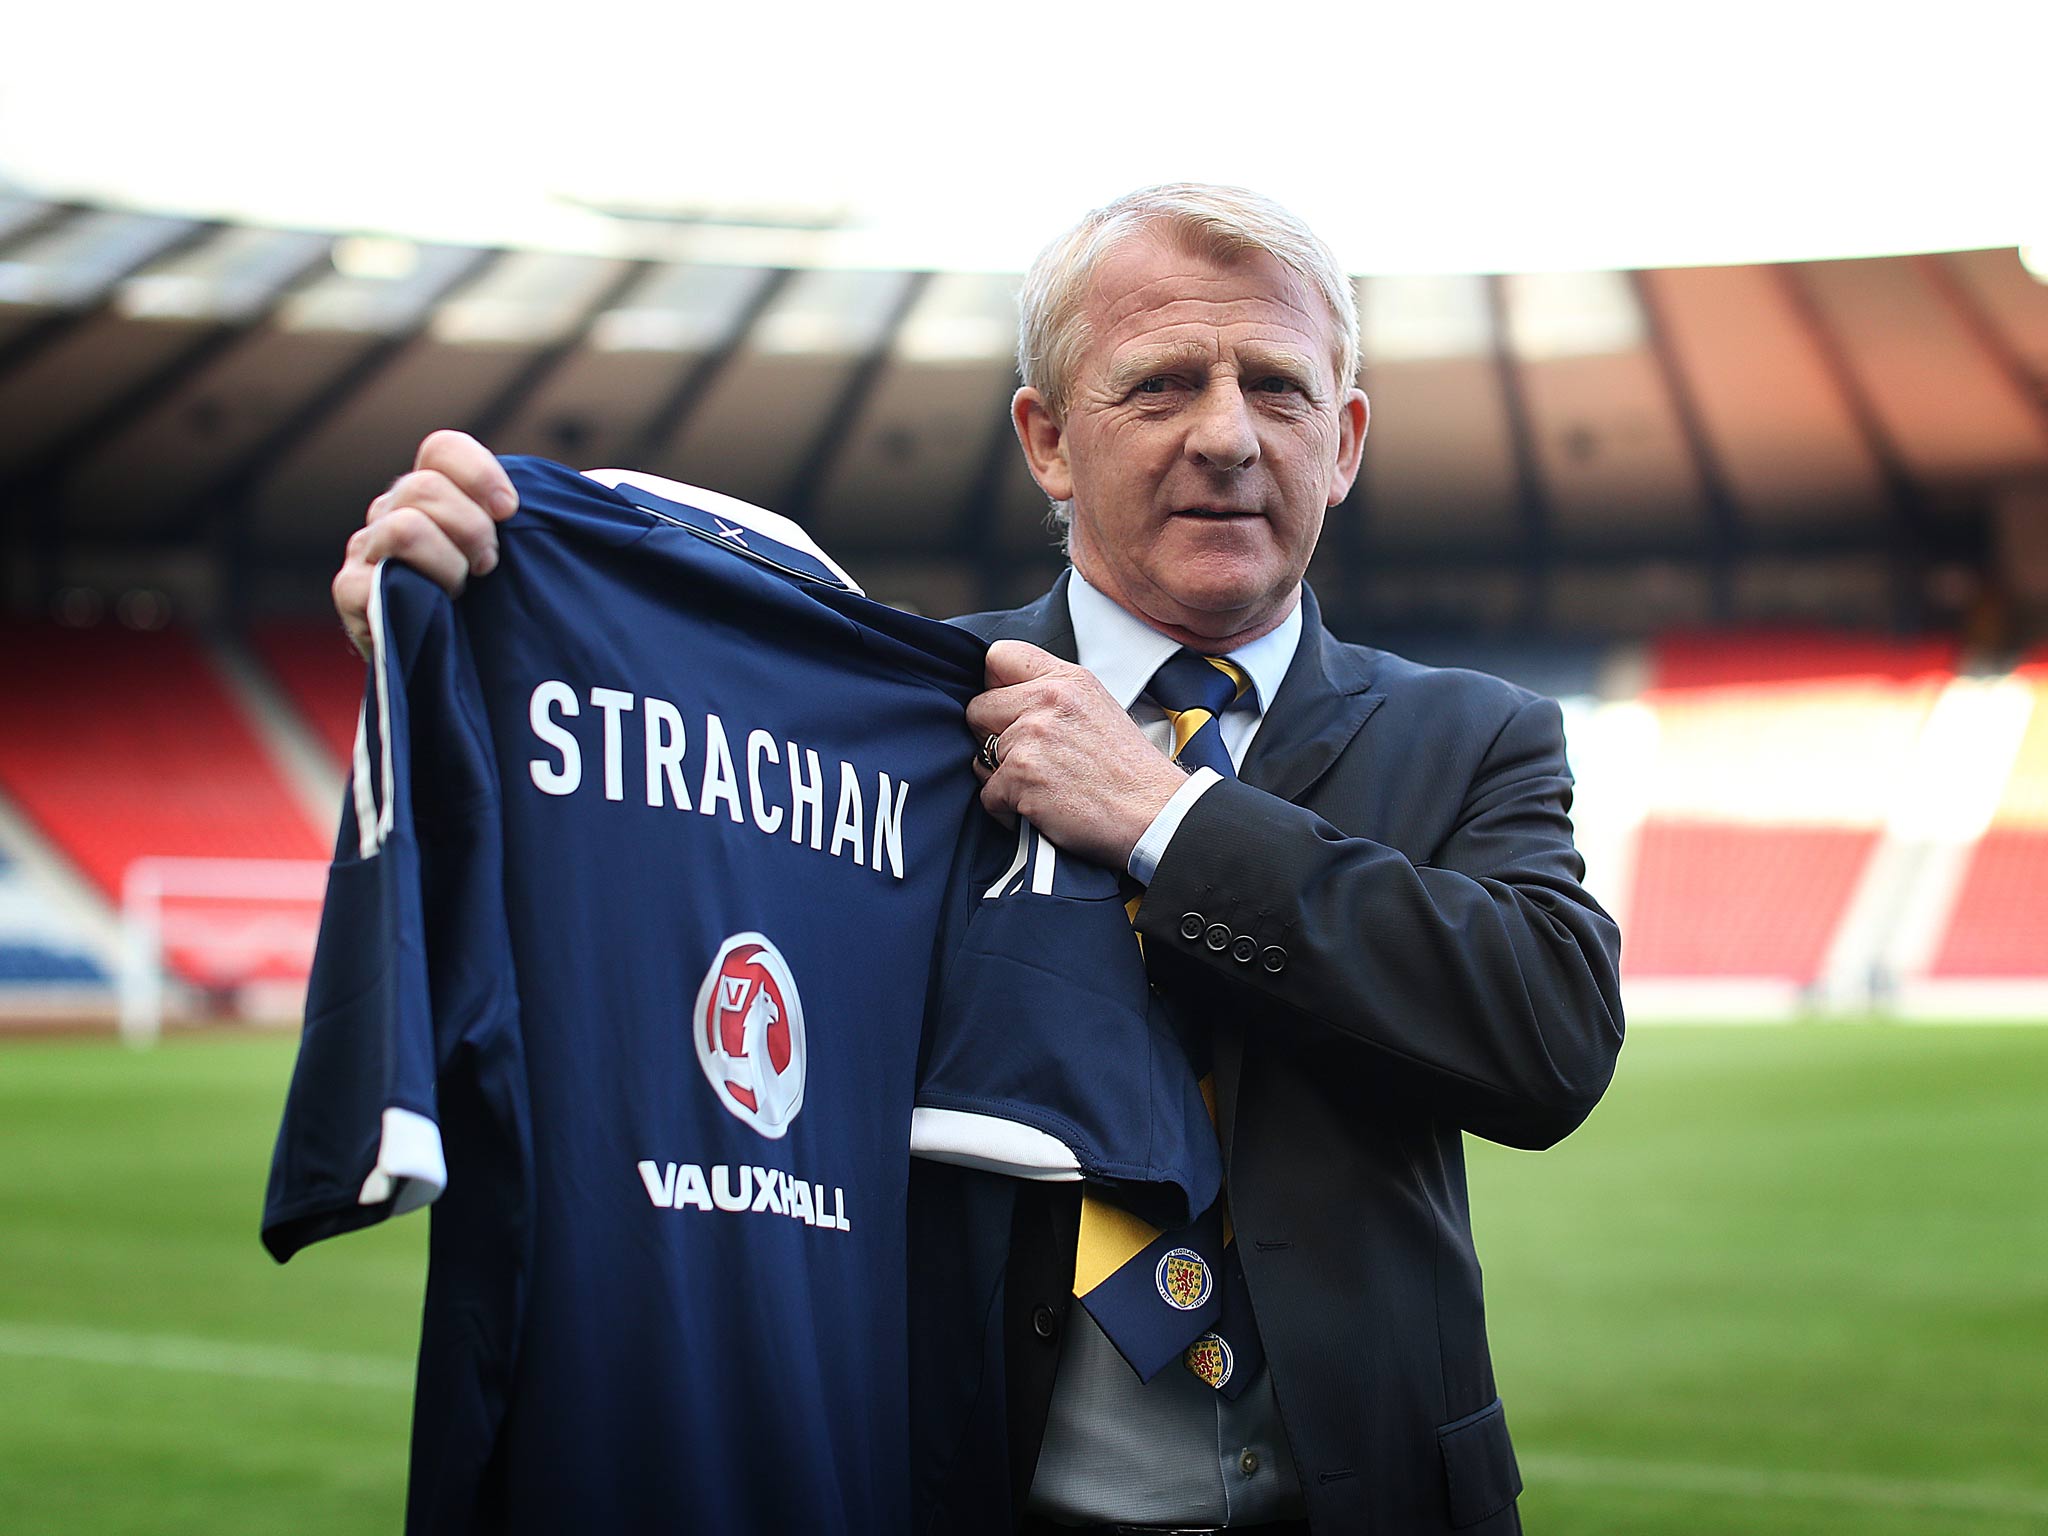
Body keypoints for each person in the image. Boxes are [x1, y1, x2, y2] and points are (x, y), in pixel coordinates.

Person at [331, 184, 1623, 1535]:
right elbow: (621, 915)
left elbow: (1550, 1040)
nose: (1229, 436)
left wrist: (1166, 816)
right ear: (1048, 441)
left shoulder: (1474, 735)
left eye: (1282, 389)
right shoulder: (887, 729)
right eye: (1162, 384)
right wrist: (452, 677)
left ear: (1344, 439)